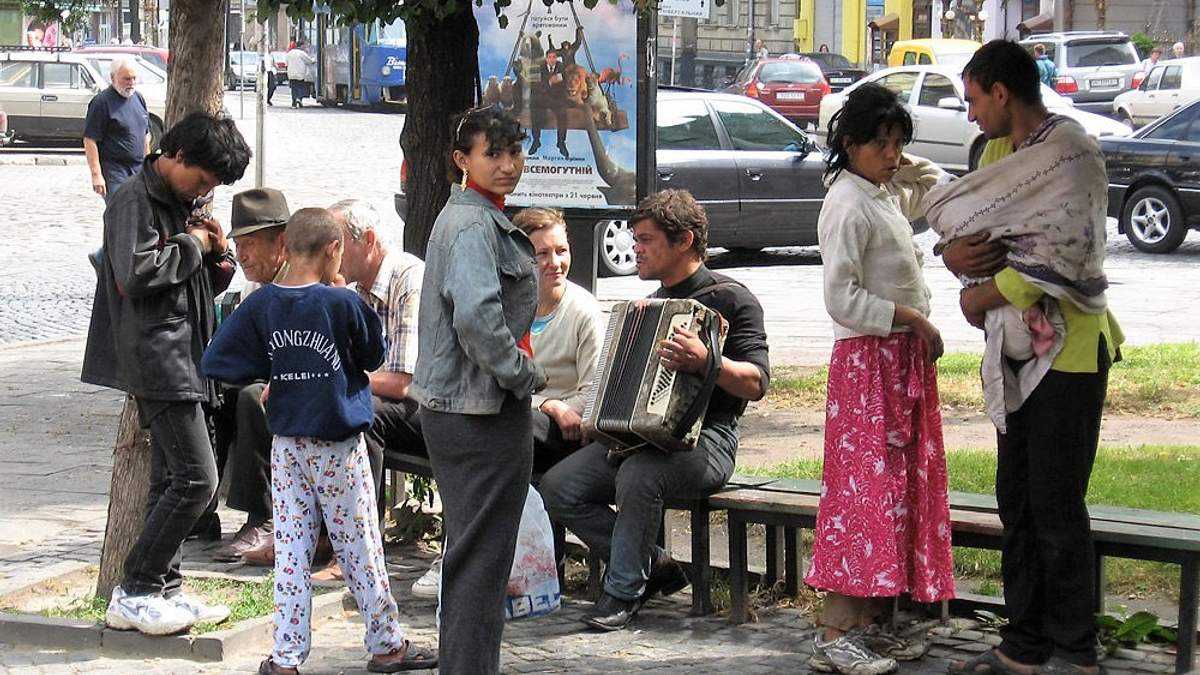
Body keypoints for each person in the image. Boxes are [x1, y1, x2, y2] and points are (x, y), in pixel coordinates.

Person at [938, 40, 1122, 675]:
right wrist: (952, 259)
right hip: (1012, 353)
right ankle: (1024, 643)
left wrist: (990, 291)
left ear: (1001, 92)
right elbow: (972, 233)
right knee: (1014, 497)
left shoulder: (1071, 154)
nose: (969, 115)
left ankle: (1076, 651)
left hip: (1069, 353)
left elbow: (1070, 254)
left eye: (972, 100)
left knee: (1056, 504)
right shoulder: (995, 155)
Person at [201, 208, 438, 675]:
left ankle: (286, 657)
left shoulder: (262, 303)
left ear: (286, 248)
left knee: (292, 549)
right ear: (333, 250)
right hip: (337, 444)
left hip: (287, 443)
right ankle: (387, 644)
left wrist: (275, 371)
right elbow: (374, 354)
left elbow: (217, 360)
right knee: (360, 544)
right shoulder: (342, 304)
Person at [540, 189, 771, 632]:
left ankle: (622, 591)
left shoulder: (733, 300)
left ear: (683, 240)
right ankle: (654, 565)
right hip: (639, 440)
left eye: (645, 240)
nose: (635, 250)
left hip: (709, 439)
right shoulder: (648, 304)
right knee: (559, 486)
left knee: (639, 475)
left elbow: (757, 382)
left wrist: (709, 361)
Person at [802, 82, 954, 675]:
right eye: (880, 144)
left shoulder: (881, 191)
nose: (891, 155)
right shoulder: (846, 203)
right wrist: (909, 318)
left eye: (897, 144)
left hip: (898, 362)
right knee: (862, 494)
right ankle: (837, 630)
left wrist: (904, 158)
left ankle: (869, 624)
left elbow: (937, 186)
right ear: (849, 142)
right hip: (870, 364)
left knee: (891, 493)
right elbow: (841, 297)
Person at [82, 111, 251, 635]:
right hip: (159, 359)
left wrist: (218, 254)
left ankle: (164, 588)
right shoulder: (133, 198)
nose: (206, 190)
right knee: (199, 479)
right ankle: (135, 587)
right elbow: (136, 275)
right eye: (203, 179)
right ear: (175, 156)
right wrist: (193, 246)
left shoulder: (180, 202)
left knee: (170, 482)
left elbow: (197, 287)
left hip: (189, 355)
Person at [410, 105, 546, 674]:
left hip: (472, 409)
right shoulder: (470, 223)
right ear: (463, 160)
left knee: (478, 559)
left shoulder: (479, 217)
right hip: (478, 412)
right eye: (494, 153)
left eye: (515, 152)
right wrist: (524, 375)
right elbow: (479, 319)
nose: (508, 165)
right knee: (479, 562)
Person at [210, 188, 291, 565]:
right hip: (270, 379)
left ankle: (264, 515)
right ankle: (201, 506)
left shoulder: (304, 282)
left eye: (251, 244)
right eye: (238, 244)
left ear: (282, 242)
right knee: (213, 391)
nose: (242, 254)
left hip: (306, 387)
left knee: (250, 397)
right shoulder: (254, 288)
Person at [512, 207, 604, 474]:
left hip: (566, 429)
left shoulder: (584, 310)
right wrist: (546, 404)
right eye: (542, 254)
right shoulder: (506, 307)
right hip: (525, 414)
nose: (554, 262)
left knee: (512, 428)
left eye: (561, 251)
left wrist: (554, 408)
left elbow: (593, 394)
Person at [84, 59, 151, 202]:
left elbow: (145, 135)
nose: (131, 83)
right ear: (113, 78)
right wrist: (96, 174)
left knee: (140, 213)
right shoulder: (101, 102)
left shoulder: (138, 98)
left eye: (134, 78)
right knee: (119, 212)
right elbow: (90, 139)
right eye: (126, 79)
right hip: (114, 170)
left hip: (138, 170)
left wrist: (148, 168)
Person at [529, 48, 571, 158]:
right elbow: (534, 86)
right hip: (541, 98)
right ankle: (536, 140)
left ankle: (561, 142)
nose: (552, 60)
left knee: (562, 113)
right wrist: (549, 82)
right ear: (546, 58)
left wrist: (555, 84)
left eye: (554, 57)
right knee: (535, 110)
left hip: (556, 98)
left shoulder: (561, 66)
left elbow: (564, 82)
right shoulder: (537, 67)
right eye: (550, 57)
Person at [287, 41, 315, 108]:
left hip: (291, 74)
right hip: (300, 74)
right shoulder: (302, 53)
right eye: (304, 46)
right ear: (302, 46)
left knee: (294, 89)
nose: (305, 47)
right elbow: (309, 61)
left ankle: (294, 103)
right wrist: (314, 60)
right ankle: (299, 99)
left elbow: (286, 62)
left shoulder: (290, 53)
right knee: (301, 87)